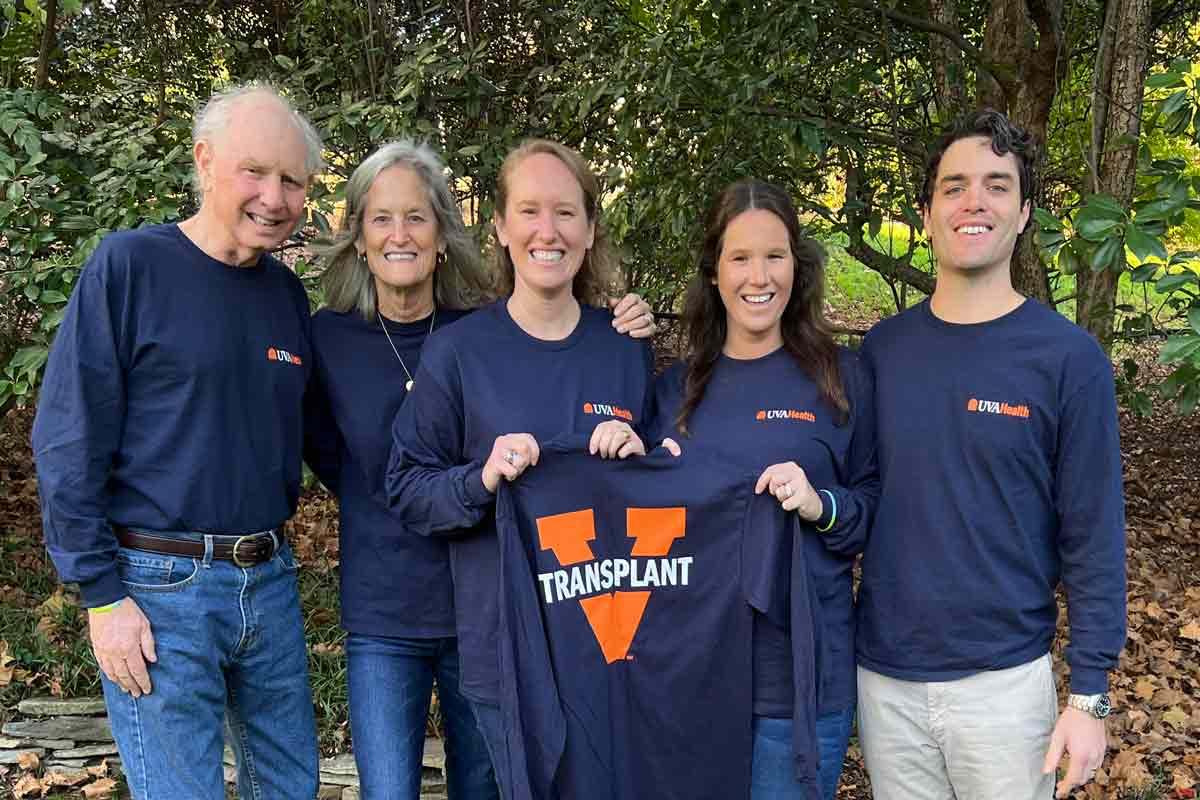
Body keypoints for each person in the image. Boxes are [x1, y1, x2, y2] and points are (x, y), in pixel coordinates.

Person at [304, 140, 656, 799]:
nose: (399, 234)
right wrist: (479, 478)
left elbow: (662, 490)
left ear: (445, 234)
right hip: (391, 609)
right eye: (381, 218)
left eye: (416, 218)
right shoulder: (335, 340)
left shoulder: (488, 335)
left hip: (510, 617)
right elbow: (338, 458)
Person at [32, 83, 324, 799]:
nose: (274, 196)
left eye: (293, 180)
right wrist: (102, 598)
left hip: (270, 580)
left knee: (290, 788)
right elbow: (68, 439)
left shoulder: (286, 296)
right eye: (255, 171)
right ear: (204, 161)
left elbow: (327, 438)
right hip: (158, 590)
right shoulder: (130, 266)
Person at [854, 109, 1127, 800]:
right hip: (886, 682)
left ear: (1025, 213)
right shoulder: (882, 353)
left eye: (997, 186)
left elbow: (1094, 534)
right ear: (926, 212)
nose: (974, 201)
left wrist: (1089, 694)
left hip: (1004, 690)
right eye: (954, 186)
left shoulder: (1069, 360)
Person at [653, 179, 877, 800]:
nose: (760, 276)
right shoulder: (673, 392)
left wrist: (820, 505)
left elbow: (873, 511)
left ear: (797, 267)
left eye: (775, 256)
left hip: (800, 684)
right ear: (715, 272)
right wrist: (626, 460)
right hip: (692, 681)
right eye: (740, 257)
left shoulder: (842, 379)